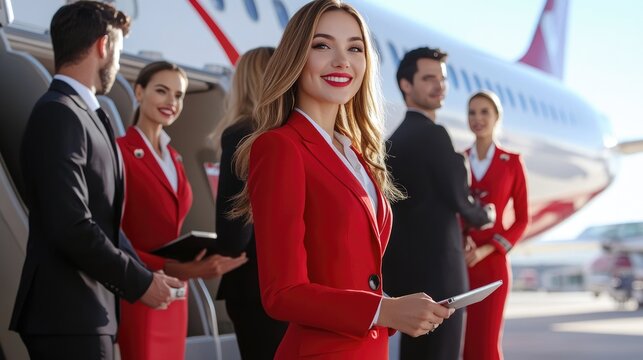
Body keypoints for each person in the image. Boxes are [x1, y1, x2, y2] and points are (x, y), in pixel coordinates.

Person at [231, 1, 454, 359]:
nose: (342, 60)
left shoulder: (357, 154)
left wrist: (398, 309)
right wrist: (384, 310)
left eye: (355, 48)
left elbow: (355, 275)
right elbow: (282, 293)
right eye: (322, 45)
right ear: (296, 57)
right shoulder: (280, 147)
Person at [9, 2, 182, 359]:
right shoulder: (59, 113)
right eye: (117, 50)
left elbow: (104, 220)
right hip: (66, 316)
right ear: (104, 46)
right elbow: (71, 224)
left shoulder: (85, 114)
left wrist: (146, 275)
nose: (117, 63)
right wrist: (138, 282)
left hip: (87, 314)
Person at [116, 61, 248, 360]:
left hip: (178, 291)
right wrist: (181, 269)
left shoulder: (174, 158)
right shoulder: (120, 151)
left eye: (178, 95)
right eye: (161, 91)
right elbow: (115, 236)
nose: (171, 102)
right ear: (139, 92)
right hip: (142, 287)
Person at [382, 47, 496, 360]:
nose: (439, 85)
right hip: (441, 274)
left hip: (404, 275)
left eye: (442, 79)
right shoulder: (434, 135)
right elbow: (458, 198)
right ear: (406, 85)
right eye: (429, 78)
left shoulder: (391, 141)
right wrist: (485, 214)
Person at [212, 47, 288, 360]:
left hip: (253, 284)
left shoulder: (242, 133)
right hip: (293, 282)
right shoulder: (292, 134)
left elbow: (234, 232)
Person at [462, 90, 529, 360]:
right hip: (462, 261)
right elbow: (453, 212)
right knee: (464, 344)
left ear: (497, 117)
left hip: (492, 264)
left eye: (484, 112)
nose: (477, 119)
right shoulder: (459, 159)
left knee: (487, 344)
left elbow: (523, 219)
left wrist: (488, 249)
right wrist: (463, 240)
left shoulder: (511, 162)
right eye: (472, 112)